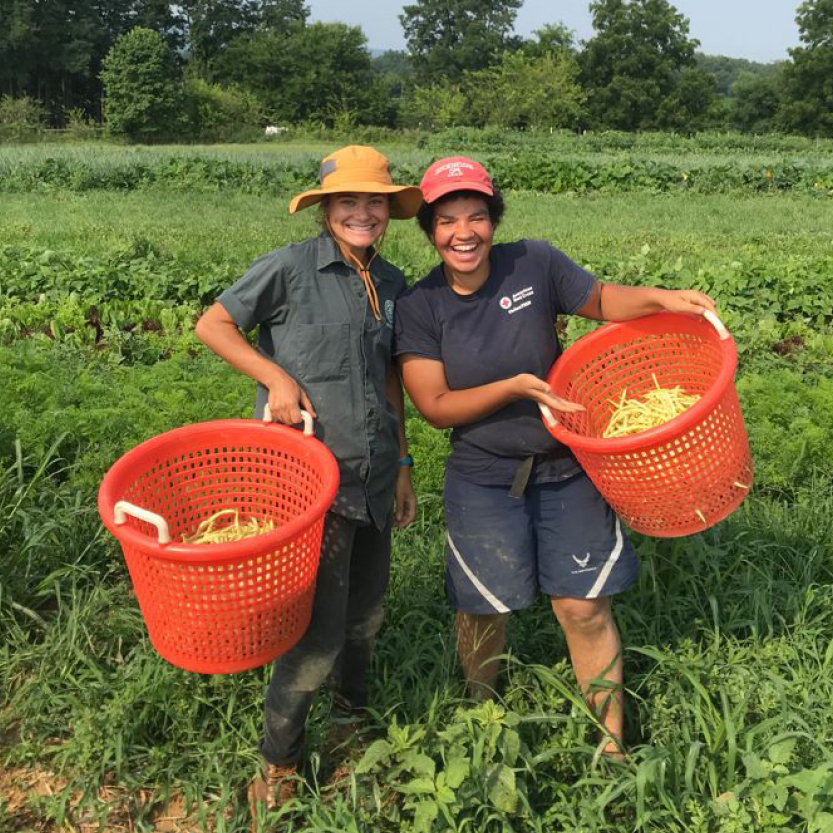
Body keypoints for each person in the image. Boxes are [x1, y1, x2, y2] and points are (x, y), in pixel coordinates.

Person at [393, 156, 717, 754]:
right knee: (483, 607)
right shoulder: (421, 306)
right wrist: (516, 386)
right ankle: (481, 717)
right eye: (447, 221)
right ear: (431, 232)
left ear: (494, 219)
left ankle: (610, 742)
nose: (464, 232)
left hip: (566, 465)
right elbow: (435, 405)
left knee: (583, 606)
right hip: (483, 474)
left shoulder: (533, 262)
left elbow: (601, 299)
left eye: (477, 216)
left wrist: (664, 298)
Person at [194, 145, 420, 816]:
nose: (361, 212)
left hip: (374, 474)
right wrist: (276, 377)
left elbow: (389, 378)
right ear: (324, 210)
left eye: (373, 202)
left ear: (387, 211)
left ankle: (352, 719)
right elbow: (214, 323)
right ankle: (280, 761)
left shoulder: (395, 281)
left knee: (365, 615)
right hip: (307, 481)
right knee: (314, 635)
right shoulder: (291, 268)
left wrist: (403, 462)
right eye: (346, 202)